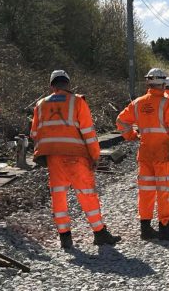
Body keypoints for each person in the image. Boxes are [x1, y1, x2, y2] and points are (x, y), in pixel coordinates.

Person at [31, 70, 120, 249]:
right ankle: (99, 233)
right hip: (76, 156)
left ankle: (65, 237)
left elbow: (34, 133)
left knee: (58, 196)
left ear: (52, 86)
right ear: (68, 85)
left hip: (53, 158)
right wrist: (95, 156)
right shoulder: (77, 102)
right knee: (87, 194)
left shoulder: (40, 105)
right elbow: (88, 133)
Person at [116, 68, 169, 241]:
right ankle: (164, 228)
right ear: (163, 84)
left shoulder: (138, 103)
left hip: (145, 152)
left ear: (148, 82)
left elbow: (121, 121)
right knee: (164, 190)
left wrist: (131, 135)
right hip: (163, 153)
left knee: (145, 191)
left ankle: (145, 229)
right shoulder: (167, 103)